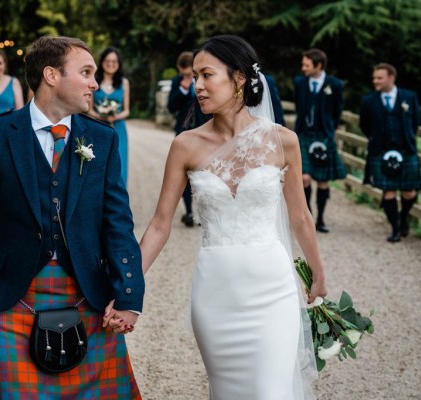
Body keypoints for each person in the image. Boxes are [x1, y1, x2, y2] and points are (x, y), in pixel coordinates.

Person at [0, 36, 145, 398]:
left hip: (86, 293)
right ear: (51, 75)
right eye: (86, 72)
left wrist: (129, 294)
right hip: (10, 296)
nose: (95, 84)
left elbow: (117, 223)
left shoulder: (102, 138)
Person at [139, 35, 326, 399]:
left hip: (273, 289)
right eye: (195, 77)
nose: (198, 86)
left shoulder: (283, 141)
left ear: (239, 78)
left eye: (207, 75)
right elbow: (160, 225)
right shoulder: (185, 145)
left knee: (271, 392)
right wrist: (128, 285)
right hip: (215, 294)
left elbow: (300, 216)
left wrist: (318, 275)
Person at [360, 63, 421, 242]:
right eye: (374, 78)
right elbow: (365, 125)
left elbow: (415, 122)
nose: (375, 81)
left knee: (409, 192)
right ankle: (395, 228)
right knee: (388, 191)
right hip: (381, 150)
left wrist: (408, 138)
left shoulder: (409, 97)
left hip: (405, 150)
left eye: (379, 78)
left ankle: (403, 219)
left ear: (391, 78)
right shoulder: (369, 101)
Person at [294, 48, 346, 233]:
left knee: (323, 180)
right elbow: (300, 108)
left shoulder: (335, 84)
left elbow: (337, 110)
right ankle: (307, 216)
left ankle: (321, 219)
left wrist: (330, 130)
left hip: (324, 135)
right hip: (304, 135)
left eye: (306, 65)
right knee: (304, 177)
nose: (303, 68)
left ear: (318, 65)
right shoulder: (300, 83)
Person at [167, 51, 210, 227]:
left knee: (205, 171)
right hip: (184, 130)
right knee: (185, 172)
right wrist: (183, 88)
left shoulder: (204, 80)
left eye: (188, 73)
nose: (185, 76)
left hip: (205, 129)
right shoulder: (177, 82)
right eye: (182, 73)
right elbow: (171, 106)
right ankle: (189, 211)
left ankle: (205, 211)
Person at [89, 47, 131, 185]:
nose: (111, 64)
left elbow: (126, 111)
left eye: (114, 61)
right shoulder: (94, 81)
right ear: (102, 62)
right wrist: (102, 117)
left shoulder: (124, 83)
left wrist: (114, 117)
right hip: (98, 127)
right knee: (98, 163)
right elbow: (89, 110)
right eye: (108, 60)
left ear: (118, 64)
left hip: (118, 128)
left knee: (120, 164)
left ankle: (118, 199)